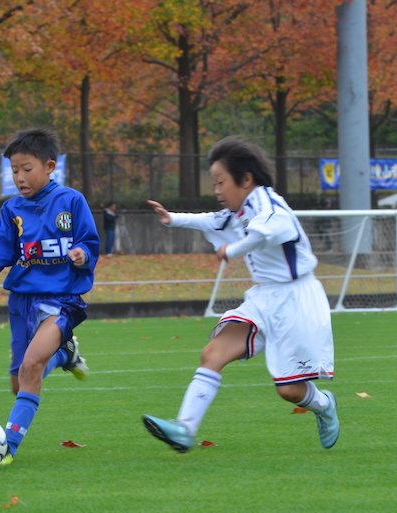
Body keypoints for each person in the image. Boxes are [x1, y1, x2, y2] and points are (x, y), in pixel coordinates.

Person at [142, 136, 339, 452]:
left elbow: (266, 232)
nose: (217, 190)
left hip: (297, 300)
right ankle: (185, 429)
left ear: (246, 179)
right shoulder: (239, 211)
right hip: (264, 299)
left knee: (289, 390)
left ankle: (324, 404)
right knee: (213, 353)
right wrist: (172, 218)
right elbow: (212, 221)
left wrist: (233, 249)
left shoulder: (269, 204)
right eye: (214, 183)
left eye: (221, 182)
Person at [0, 127, 100, 465]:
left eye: (27, 169)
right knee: (20, 381)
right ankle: (65, 355)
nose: (19, 177)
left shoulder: (71, 201)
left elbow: (90, 241)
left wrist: (83, 253)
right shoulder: (12, 211)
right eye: (14, 171)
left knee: (30, 365)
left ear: (50, 166)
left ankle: (6, 447)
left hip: (63, 300)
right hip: (21, 302)